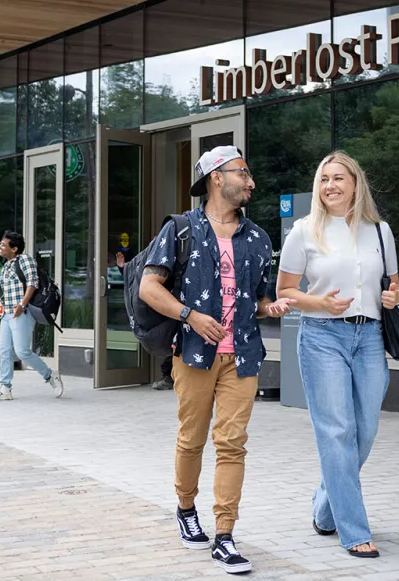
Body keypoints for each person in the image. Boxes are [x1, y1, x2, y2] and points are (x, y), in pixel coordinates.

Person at [139, 145, 295, 575]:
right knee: (192, 438)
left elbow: (259, 301)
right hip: (193, 354)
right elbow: (149, 289)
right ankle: (186, 508)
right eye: (242, 173)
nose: (251, 182)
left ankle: (225, 535)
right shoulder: (182, 229)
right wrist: (190, 315)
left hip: (242, 356)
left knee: (232, 444)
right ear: (216, 178)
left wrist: (272, 308)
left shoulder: (259, 238)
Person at [276, 150, 399, 558]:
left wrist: (393, 296)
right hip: (321, 337)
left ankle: (326, 507)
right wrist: (318, 304)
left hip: (369, 337)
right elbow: (285, 293)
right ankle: (354, 531)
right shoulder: (303, 231)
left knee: (363, 433)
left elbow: (396, 286)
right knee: (336, 432)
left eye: (338, 178)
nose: (329, 185)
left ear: (354, 184)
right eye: (324, 179)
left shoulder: (380, 232)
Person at [0, 231, 63, 401]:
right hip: (8, 314)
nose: (0, 246)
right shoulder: (6, 266)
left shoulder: (25, 260)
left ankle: (50, 376)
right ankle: (5, 388)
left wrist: (22, 304)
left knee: (22, 352)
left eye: (4, 245)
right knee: (4, 351)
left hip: (22, 312)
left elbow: (32, 283)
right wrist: (3, 317)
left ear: (14, 248)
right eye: (0, 243)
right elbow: (8, 293)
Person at [117, 251, 174, 390]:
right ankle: (168, 376)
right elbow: (137, 277)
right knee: (170, 339)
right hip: (165, 310)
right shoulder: (153, 255)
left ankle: (170, 376)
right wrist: (123, 268)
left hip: (173, 307)